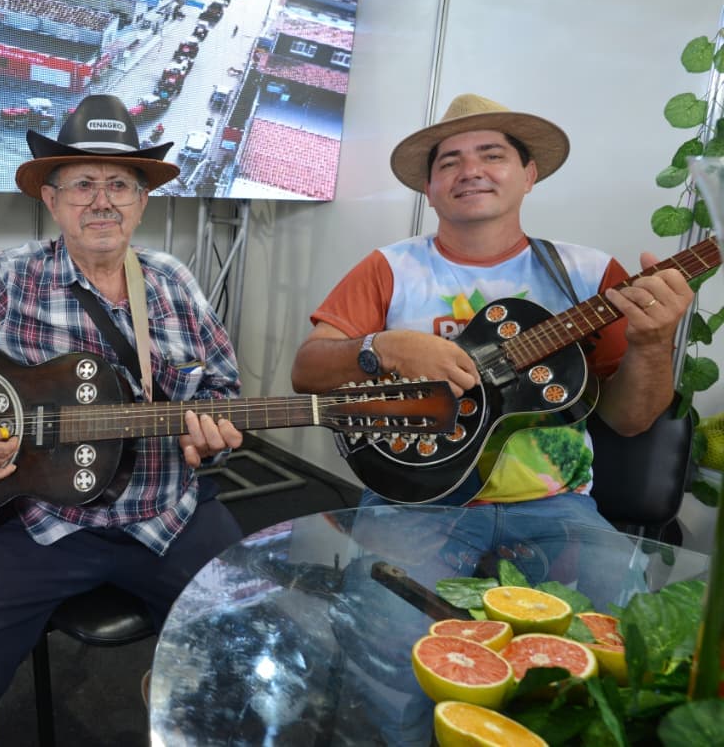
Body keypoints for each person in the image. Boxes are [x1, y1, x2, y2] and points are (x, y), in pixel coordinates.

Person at [290, 93, 696, 742]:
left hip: (558, 504)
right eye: (449, 161)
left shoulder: (591, 274)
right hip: (414, 499)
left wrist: (651, 344)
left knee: (629, 638)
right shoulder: (390, 267)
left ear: (529, 174)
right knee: (387, 643)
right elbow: (308, 370)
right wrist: (380, 347)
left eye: (492, 154)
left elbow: (629, 421)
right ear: (429, 187)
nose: (470, 170)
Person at [0, 94, 245, 747]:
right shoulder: (11, 276)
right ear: (52, 201)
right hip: (36, 524)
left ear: (142, 201)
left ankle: (188, 709)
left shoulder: (174, 283)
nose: (102, 202)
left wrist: (210, 444)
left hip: (167, 516)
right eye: (82, 185)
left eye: (119, 185)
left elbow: (223, 389)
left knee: (259, 636)